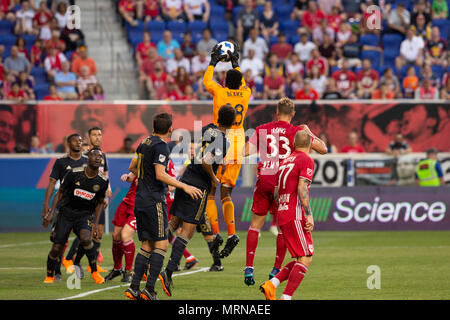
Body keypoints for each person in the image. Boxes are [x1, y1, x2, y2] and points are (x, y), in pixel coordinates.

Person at [244, 98, 326, 287]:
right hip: (282, 182)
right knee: (282, 227)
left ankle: (249, 267)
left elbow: (245, 151)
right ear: (293, 114)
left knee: (255, 225)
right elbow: (322, 149)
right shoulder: (297, 131)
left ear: (276, 111)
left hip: (265, 179)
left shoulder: (262, 128)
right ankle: (276, 269)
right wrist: (308, 131)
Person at [158, 105, 236, 298]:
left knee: (173, 224)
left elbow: (201, 154)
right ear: (234, 123)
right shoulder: (224, 141)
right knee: (187, 232)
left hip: (185, 179)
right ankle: (167, 272)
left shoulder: (208, 128)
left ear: (218, 118)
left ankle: (151, 261)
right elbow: (206, 161)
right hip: (198, 186)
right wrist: (213, 178)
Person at [124, 113, 203, 300]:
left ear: (153, 126)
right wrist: (183, 185)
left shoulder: (144, 142)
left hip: (140, 199)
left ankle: (134, 288)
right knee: (161, 244)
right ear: (170, 129)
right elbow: (160, 174)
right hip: (154, 200)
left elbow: (132, 167)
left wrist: (145, 178)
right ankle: (149, 290)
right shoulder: (161, 146)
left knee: (146, 244)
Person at [203, 43, 251, 259]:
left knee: (211, 190)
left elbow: (206, 82)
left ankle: (215, 234)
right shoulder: (246, 93)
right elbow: (239, 80)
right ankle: (232, 233)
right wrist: (235, 63)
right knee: (227, 193)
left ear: (224, 81)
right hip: (239, 141)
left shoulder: (220, 93)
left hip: (220, 139)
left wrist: (213, 61)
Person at [259, 130, 315, 300]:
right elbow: (302, 188)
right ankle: (286, 297)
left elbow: (276, 192)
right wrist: (309, 214)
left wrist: (283, 206)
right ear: (310, 144)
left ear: (293, 144)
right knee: (305, 258)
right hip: (295, 214)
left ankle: (272, 284)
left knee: (302, 257)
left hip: (283, 214)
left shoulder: (284, 161)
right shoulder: (306, 160)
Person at [42, 148, 109, 285]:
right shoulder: (73, 173)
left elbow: (100, 203)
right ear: (87, 158)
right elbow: (59, 193)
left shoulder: (103, 181)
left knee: (86, 239)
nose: (97, 158)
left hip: (84, 215)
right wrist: (51, 213)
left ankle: (95, 272)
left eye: (100, 156)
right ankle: (49, 275)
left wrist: (95, 225)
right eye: (94, 155)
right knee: (56, 248)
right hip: (66, 213)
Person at [66, 127, 111, 277]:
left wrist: (107, 189)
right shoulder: (83, 156)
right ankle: (70, 259)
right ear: (89, 136)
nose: (97, 137)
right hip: (85, 201)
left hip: (98, 199)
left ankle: (87, 264)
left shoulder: (102, 155)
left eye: (99, 134)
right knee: (84, 233)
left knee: (97, 233)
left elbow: (105, 173)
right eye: (94, 135)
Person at [41, 134, 87, 280]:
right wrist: (47, 207)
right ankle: (57, 271)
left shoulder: (88, 161)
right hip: (64, 207)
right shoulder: (61, 162)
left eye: (80, 141)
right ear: (68, 143)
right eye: (75, 140)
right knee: (59, 241)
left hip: (83, 208)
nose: (79, 143)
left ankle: (76, 262)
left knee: (86, 239)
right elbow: (52, 183)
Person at [105, 170, 138, 283]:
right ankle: (117, 268)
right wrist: (127, 176)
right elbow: (131, 177)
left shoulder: (159, 162)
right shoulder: (140, 158)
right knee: (116, 236)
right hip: (127, 202)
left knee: (126, 236)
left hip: (140, 205)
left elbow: (167, 185)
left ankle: (129, 271)